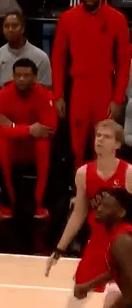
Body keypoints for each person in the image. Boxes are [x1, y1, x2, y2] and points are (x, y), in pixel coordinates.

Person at [45, 120, 132, 307]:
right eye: (98, 135)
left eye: (107, 137)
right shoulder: (83, 173)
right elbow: (78, 214)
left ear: (117, 144)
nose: (100, 139)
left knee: (121, 294)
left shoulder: (128, 173)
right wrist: (59, 249)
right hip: (98, 241)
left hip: (122, 239)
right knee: (77, 296)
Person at [51, 0, 131, 170]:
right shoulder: (67, 18)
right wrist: (58, 94)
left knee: (105, 139)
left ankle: (104, 182)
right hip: (78, 85)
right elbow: (58, 59)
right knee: (77, 141)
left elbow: (123, 62)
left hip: (104, 85)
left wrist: (118, 97)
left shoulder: (117, 19)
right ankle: (79, 182)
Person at [0, 58, 57, 219]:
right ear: (12, 76)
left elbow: (50, 128)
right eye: (17, 75)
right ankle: (7, 202)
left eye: (26, 75)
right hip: (12, 146)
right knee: (0, 143)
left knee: (44, 144)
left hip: (33, 147)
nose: (21, 79)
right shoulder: (1, 96)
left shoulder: (45, 95)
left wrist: (11, 126)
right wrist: (29, 129)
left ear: (35, 77)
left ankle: (40, 203)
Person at [72, 188, 132, 307]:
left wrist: (120, 304)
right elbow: (116, 271)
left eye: (107, 206)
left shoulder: (122, 241)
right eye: (101, 204)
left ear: (121, 213)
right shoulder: (116, 236)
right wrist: (88, 286)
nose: (99, 209)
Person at [0, 12, 51, 88]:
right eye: (6, 26)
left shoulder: (41, 57)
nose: (10, 29)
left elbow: (46, 90)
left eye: (14, 26)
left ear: (23, 29)